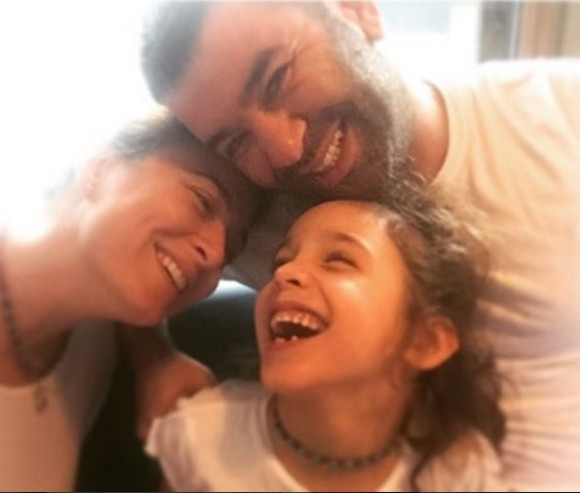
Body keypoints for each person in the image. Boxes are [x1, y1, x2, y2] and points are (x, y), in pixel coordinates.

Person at [141, 2, 580, 490]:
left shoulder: (561, 110)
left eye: (278, 77)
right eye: (235, 142)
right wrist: (151, 358)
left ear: (358, 11)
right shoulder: (246, 219)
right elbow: (115, 231)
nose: (286, 150)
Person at [146, 197, 506, 492]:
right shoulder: (201, 438)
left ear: (424, 342)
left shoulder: (457, 469)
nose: (285, 273)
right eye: (282, 260)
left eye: (338, 260)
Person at [0, 112, 262, 491]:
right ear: (101, 167)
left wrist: (154, 356)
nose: (216, 254)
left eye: (231, 253)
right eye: (203, 201)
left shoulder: (95, 331)